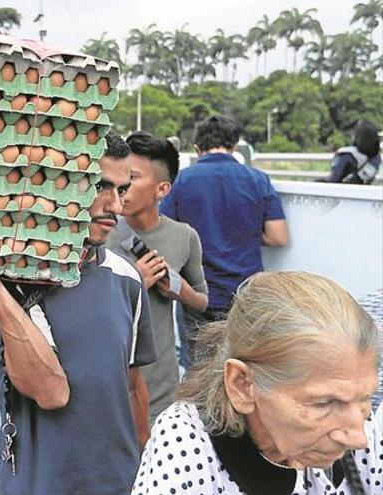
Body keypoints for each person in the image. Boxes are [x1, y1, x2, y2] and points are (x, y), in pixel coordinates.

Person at [0, 132, 156, 495]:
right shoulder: (14, 282)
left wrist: (145, 473)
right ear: (59, 186)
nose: (115, 206)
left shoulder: (127, 280)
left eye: (122, 190)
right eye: (100, 187)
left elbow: (132, 387)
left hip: (117, 482)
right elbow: (50, 393)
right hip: (36, 484)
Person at [132, 271, 383, 494]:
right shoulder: (187, 445)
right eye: (325, 403)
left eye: (365, 400)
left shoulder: (355, 417)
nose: (358, 439)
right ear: (242, 384)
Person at [107, 131, 208, 421]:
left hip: (161, 383)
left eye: (133, 177)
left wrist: (180, 290)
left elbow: (201, 301)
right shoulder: (100, 233)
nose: (123, 186)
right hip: (111, 381)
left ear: (162, 189)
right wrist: (134, 281)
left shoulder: (184, 237)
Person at [161, 115, 288, 334]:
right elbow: (278, 237)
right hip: (246, 292)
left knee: (198, 364)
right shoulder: (258, 180)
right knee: (241, 360)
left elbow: (164, 234)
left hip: (198, 292)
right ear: (234, 146)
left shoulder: (180, 181)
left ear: (197, 148)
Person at [322, 119, 381, 184]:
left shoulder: (347, 154)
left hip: (343, 189)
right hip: (362, 190)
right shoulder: (377, 158)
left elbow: (334, 179)